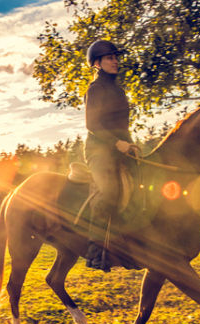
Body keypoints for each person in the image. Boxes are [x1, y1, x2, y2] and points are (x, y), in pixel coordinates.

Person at [83, 39, 139, 271]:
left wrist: (131, 144)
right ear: (97, 64)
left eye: (116, 57)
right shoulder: (95, 89)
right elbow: (92, 124)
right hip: (99, 151)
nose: (115, 61)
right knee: (110, 191)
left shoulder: (118, 89)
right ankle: (95, 251)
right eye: (109, 58)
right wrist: (117, 143)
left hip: (122, 147)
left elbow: (121, 125)